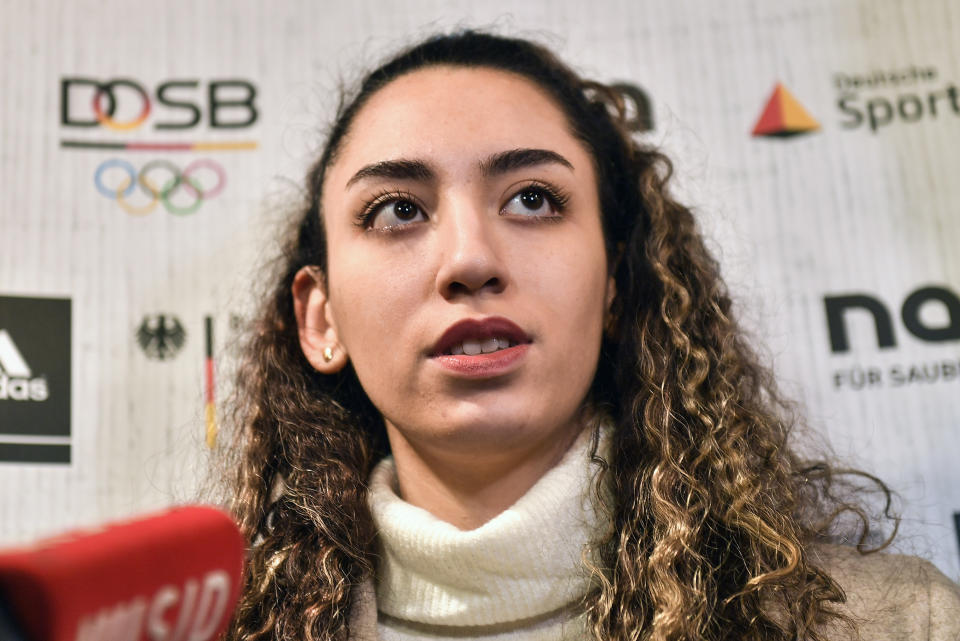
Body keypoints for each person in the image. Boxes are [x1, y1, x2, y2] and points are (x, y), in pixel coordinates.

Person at [221, 31, 960, 641]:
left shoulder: (896, 623)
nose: (470, 258)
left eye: (533, 198)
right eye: (397, 211)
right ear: (320, 319)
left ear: (614, 282)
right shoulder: (227, 630)